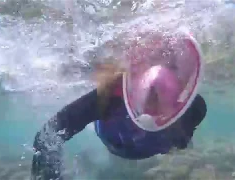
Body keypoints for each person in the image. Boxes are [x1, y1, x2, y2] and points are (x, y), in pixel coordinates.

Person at [31, 31, 207, 180]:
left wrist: (181, 142)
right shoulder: (109, 97)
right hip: (113, 142)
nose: (160, 74)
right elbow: (47, 135)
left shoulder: (194, 107)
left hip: (147, 149)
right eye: (153, 60)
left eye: (171, 66)